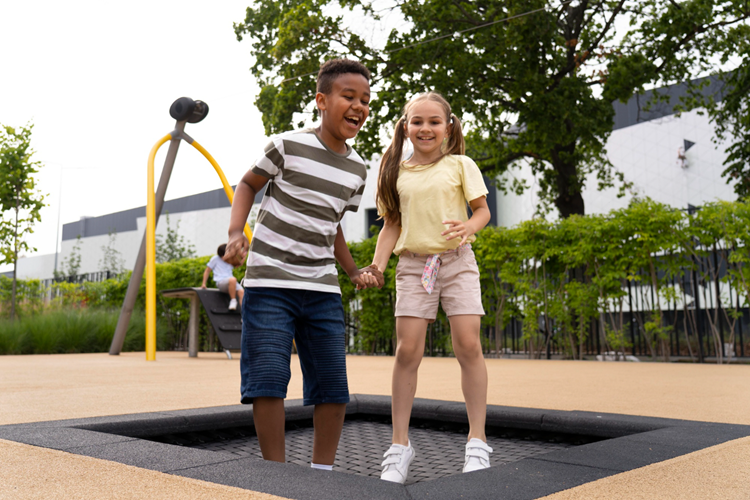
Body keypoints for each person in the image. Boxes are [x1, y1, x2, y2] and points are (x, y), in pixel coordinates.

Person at [223, 58, 383, 471]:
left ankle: (322, 474)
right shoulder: (287, 145)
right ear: (321, 100)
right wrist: (235, 233)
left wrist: (351, 271)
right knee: (269, 379)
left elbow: (332, 227)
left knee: (332, 385)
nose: (359, 106)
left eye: (365, 99)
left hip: (322, 290)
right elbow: (247, 184)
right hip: (269, 282)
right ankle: (276, 474)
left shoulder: (358, 168)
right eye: (349, 96)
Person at [371, 92, 492, 483]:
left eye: (434, 122)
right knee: (407, 350)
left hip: (457, 263)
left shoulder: (460, 164)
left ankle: (477, 440)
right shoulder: (393, 171)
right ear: (405, 126)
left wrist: (469, 227)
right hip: (413, 266)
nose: (425, 128)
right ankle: (399, 445)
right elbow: (391, 225)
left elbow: (482, 210)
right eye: (417, 121)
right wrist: (377, 265)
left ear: (448, 126)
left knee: (468, 345)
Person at [201, 243, 245, 310]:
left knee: (242, 292)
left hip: (231, 283)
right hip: (221, 282)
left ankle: (244, 316)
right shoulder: (215, 259)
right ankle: (233, 300)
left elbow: (238, 264)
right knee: (233, 279)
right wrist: (203, 284)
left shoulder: (231, 259)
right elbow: (207, 271)